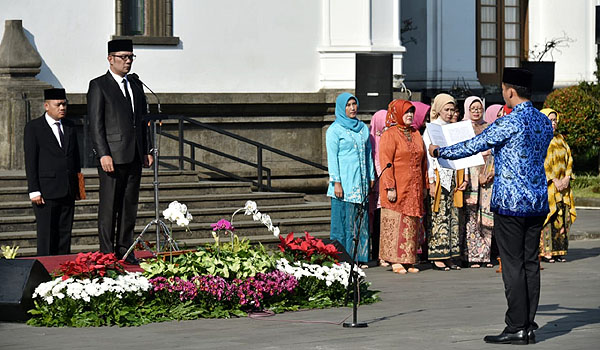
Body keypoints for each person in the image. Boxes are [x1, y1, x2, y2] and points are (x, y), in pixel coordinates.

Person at [428, 68, 553, 345]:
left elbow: (475, 144)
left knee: (512, 265)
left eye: (503, 89)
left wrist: (440, 151)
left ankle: (515, 327)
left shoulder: (510, 121)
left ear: (510, 91)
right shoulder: (543, 122)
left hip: (510, 203)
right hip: (537, 201)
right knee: (531, 263)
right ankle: (528, 324)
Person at [87, 39, 153, 265]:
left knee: (129, 205)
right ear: (110, 58)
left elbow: (143, 120)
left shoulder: (135, 84)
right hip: (111, 156)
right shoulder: (99, 85)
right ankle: (106, 252)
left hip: (134, 153)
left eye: (130, 57)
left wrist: (147, 149)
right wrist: (102, 153)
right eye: (123, 57)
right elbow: (95, 124)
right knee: (109, 206)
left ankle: (125, 248)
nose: (127, 61)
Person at [24, 88, 81, 256]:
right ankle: (45, 271)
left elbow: (75, 158)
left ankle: (63, 269)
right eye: (58, 105)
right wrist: (34, 190)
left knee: (65, 234)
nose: (62, 108)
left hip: (68, 189)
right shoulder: (34, 127)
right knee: (47, 234)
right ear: (47, 106)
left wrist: (78, 187)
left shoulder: (70, 126)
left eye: (64, 104)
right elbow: (31, 161)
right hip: (46, 190)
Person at [378, 100, 428, 274]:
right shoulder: (390, 134)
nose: (409, 116)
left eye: (411, 112)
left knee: (411, 223)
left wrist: (424, 185)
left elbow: (424, 161)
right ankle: (394, 259)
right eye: (406, 112)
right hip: (398, 186)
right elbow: (386, 162)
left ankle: (408, 259)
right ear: (398, 113)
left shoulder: (415, 133)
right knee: (395, 221)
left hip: (414, 186)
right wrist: (390, 187)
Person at [326, 93, 375, 266]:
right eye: (348, 105)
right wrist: (336, 182)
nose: (352, 108)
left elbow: (368, 153)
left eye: (354, 104)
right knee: (343, 223)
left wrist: (371, 176)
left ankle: (359, 258)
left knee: (360, 222)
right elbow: (332, 158)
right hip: (344, 184)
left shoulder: (362, 128)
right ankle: (342, 258)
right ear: (341, 108)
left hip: (360, 182)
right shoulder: (334, 130)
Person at [426, 93, 466, 271]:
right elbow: (429, 157)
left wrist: (462, 177)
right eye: (446, 109)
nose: (450, 113)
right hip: (439, 175)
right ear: (439, 110)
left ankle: (450, 255)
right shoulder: (432, 128)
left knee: (453, 216)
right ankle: (438, 255)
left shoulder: (454, 128)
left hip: (453, 176)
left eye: (452, 109)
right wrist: (432, 181)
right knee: (439, 215)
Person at [539, 108, 576, 263]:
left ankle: (559, 250)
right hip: (549, 186)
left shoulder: (561, 139)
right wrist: (554, 180)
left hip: (563, 187)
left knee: (562, 217)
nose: (553, 123)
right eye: (550, 120)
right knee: (549, 218)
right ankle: (546, 251)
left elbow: (569, 159)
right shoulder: (540, 139)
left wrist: (567, 177)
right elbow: (543, 162)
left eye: (555, 120)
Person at [462, 96, 494, 268]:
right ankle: (473, 256)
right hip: (471, 175)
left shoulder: (489, 127)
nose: (476, 111)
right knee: (472, 216)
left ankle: (485, 255)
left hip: (488, 175)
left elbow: (496, 150)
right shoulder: (463, 128)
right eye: (473, 108)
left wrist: (490, 172)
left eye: (479, 108)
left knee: (487, 215)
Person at [368, 109, 388, 266]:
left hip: (388, 184)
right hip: (376, 184)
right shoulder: (372, 139)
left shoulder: (390, 137)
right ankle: (376, 253)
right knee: (377, 220)